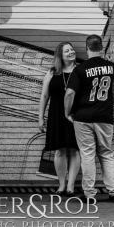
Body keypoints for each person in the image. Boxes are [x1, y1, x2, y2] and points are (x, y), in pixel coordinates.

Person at [64, 34, 114, 202]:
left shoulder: (80, 69)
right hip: (105, 117)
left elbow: (69, 93)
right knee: (106, 153)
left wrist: (67, 112)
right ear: (102, 48)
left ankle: (89, 194)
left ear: (86, 48)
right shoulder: (111, 68)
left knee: (88, 155)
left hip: (83, 117)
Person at [38, 42, 81, 196]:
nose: (71, 52)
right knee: (59, 151)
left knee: (75, 151)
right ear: (60, 55)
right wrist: (40, 117)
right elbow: (44, 96)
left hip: (75, 116)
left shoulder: (81, 70)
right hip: (56, 115)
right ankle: (61, 185)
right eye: (67, 51)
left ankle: (71, 186)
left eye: (72, 49)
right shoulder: (52, 72)